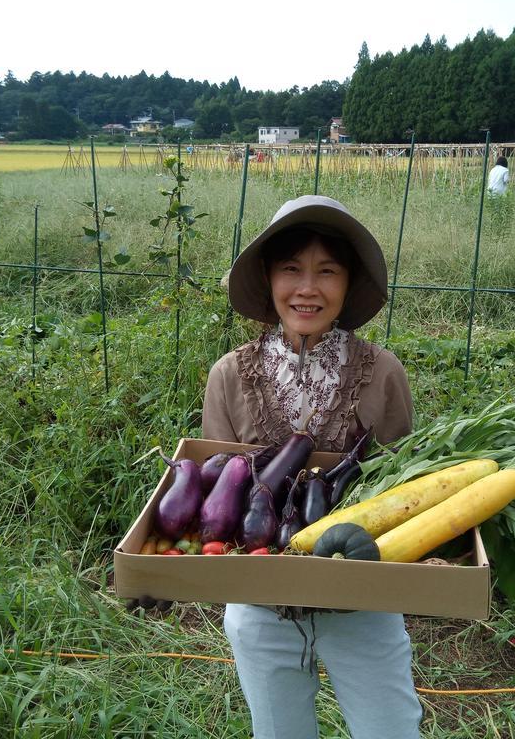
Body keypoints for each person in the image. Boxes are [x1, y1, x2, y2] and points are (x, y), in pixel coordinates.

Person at [202, 195, 422, 739]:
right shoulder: (229, 375)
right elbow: (220, 496)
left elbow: (403, 491)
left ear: (348, 285)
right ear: (269, 279)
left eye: (328, 271)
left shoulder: (384, 373)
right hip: (260, 605)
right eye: (292, 269)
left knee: (390, 730)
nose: (308, 288)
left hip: (364, 603)